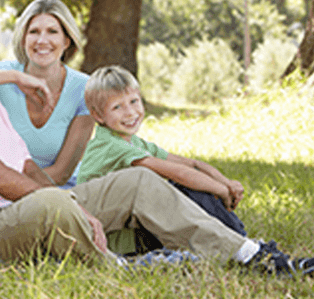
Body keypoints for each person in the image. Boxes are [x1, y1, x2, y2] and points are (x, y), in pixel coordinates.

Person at [0, 0, 314, 277]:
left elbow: (24, 166)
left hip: (18, 211)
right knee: (53, 206)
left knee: (136, 181)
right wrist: (69, 205)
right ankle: (121, 272)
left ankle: (251, 255)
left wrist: (69, 198)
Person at [78, 65, 247, 242]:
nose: (130, 112)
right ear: (98, 116)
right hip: (117, 239)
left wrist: (226, 183)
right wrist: (221, 190)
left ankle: (237, 238)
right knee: (191, 187)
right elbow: (180, 174)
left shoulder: (133, 142)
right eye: (117, 107)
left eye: (134, 101)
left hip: (134, 224)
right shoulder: (110, 145)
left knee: (198, 184)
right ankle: (238, 240)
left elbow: (191, 164)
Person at [0, 0, 94, 188]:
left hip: (56, 192)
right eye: (34, 32)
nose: (42, 40)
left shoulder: (85, 89)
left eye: (52, 32)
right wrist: (17, 77)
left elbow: (60, 173)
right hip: (0, 192)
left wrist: (7, 185)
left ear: (66, 41)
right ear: (23, 39)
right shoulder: (4, 76)